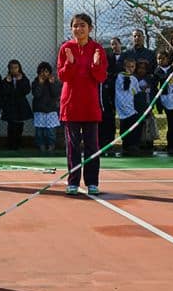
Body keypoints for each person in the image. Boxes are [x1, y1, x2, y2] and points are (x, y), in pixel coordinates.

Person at [58, 13, 108, 194]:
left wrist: (95, 65)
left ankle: (92, 182)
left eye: (82, 25)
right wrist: (70, 63)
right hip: (70, 106)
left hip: (90, 106)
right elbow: (62, 76)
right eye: (75, 26)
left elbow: (101, 76)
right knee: (72, 146)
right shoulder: (65, 48)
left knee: (92, 146)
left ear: (90, 28)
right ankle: (73, 182)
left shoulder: (98, 49)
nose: (79, 29)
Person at [1, 59, 33, 151]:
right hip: (10, 105)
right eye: (12, 68)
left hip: (20, 105)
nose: (14, 70)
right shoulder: (6, 79)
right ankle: (10, 144)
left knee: (19, 125)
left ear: (19, 68)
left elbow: (25, 91)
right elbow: (4, 91)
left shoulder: (24, 78)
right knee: (11, 125)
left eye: (16, 68)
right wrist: (7, 82)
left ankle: (18, 144)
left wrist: (19, 81)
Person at [32, 62, 63, 153]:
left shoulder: (54, 82)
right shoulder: (35, 82)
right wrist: (40, 84)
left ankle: (51, 145)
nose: (44, 74)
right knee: (39, 131)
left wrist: (52, 84)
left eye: (46, 71)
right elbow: (36, 94)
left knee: (51, 131)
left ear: (49, 72)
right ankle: (41, 145)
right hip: (39, 110)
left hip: (51, 110)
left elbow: (56, 94)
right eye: (41, 72)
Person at [113, 56, 142, 155]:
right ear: (124, 67)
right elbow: (122, 87)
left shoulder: (134, 79)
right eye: (128, 66)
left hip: (132, 108)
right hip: (122, 107)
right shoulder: (119, 77)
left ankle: (133, 146)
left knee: (133, 128)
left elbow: (136, 91)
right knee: (124, 128)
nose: (130, 69)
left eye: (132, 67)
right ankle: (125, 146)